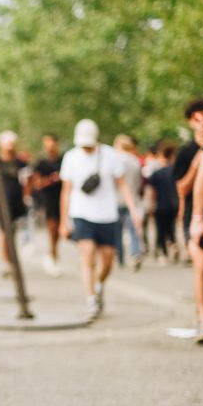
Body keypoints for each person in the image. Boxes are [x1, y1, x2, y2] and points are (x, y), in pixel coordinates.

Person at [59, 119, 141, 319]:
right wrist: (64, 220)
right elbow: (66, 191)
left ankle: (98, 285)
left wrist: (133, 210)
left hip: (107, 214)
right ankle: (91, 299)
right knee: (87, 257)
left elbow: (122, 185)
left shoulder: (110, 155)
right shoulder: (70, 157)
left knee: (106, 261)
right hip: (81, 214)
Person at [173, 99, 203, 343]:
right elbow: (181, 188)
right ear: (190, 121)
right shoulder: (186, 152)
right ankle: (202, 321)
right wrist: (197, 163)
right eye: (197, 118)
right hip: (196, 215)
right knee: (201, 265)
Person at [0, 130, 27, 276]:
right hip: (2, 201)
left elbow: (27, 181)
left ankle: (11, 259)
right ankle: (5, 260)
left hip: (16, 200)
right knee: (5, 231)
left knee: (13, 230)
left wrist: (26, 196)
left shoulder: (20, 162)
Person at [32, 132, 63, 277]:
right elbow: (36, 184)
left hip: (63, 198)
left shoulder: (64, 159)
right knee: (53, 228)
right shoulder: (41, 163)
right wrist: (51, 180)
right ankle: (53, 254)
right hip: (49, 199)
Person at [113, 134, 143, 270]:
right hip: (133, 199)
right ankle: (135, 253)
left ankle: (119, 257)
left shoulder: (115, 160)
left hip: (117, 199)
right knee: (133, 230)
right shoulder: (135, 161)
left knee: (117, 230)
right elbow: (139, 182)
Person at [146, 144, 179, 263]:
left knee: (160, 229)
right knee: (171, 227)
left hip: (160, 204)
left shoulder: (157, 173)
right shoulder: (176, 171)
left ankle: (164, 253)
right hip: (174, 204)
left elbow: (152, 191)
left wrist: (150, 204)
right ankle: (173, 244)